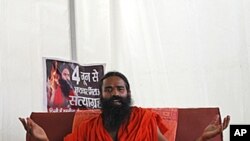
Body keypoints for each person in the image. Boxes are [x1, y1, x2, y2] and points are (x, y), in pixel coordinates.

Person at [20, 71, 230, 141]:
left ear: (127, 93)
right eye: (109, 90)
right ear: (101, 95)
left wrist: (202, 138)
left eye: (120, 89)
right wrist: (44, 139)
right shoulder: (88, 127)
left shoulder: (145, 120)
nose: (115, 94)